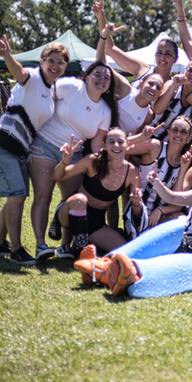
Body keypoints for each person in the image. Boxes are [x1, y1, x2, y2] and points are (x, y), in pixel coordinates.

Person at [0, 36, 68, 265]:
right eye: (51, 60)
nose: (55, 65)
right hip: (2, 144)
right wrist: (7, 56)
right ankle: (17, 250)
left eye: (60, 62)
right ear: (41, 62)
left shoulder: (52, 91)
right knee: (17, 197)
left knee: (16, 196)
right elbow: (19, 72)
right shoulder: (32, 77)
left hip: (20, 149)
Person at [29, 61, 117, 259]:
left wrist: (104, 163)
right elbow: (43, 98)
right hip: (44, 145)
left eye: (106, 77)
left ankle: (64, 246)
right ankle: (41, 245)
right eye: (98, 74)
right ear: (87, 77)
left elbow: (96, 144)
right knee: (43, 196)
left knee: (74, 200)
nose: (102, 79)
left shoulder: (105, 111)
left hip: (73, 155)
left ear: (109, 86)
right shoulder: (71, 86)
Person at [52, 129, 140, 258]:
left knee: (125, 252)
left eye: (120, 142)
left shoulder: (132, 172)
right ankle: (79, 248)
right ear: (104, 145)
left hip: (96, 222)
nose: (116, 145)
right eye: (111, 142)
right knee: (80, 200)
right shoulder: (93, 161)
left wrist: (137, 203)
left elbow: (138, 212)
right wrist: (65, 161)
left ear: (127, 145)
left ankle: (86, 244)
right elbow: (58, 176)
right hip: (71, 211)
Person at [93, 0, 181, 89]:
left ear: (176, 58)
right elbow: (110, 49)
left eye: (168, 54)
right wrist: (101, 17)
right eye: (159, 52)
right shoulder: (142, 69)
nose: (162, 57)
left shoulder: (175, 86)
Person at [125, 116, 192, 232]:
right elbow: (122, 147)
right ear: (168, 132)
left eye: (183, 132)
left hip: (159, 217)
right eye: (175, 130)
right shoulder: (155, 147)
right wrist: (141, 137)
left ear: (189, 138)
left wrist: (183, 169)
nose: (178, 135)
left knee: (182, 220)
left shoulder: (185, 162)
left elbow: (177, 201)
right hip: (138, 209)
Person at [96, 22, 164, 134]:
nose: (153, 88)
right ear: (141, 84)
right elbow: (101, 63)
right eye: (151, 84)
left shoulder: (148, 116)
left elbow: (131, 138)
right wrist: (104, 36)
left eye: (158, 87)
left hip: (113, 146)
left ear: (159, 94)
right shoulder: (125, 89)